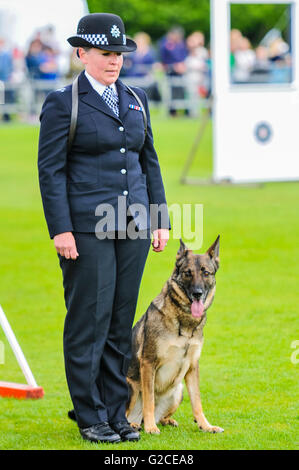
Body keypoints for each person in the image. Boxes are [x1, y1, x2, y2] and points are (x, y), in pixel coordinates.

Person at [38, 13, 170, 445]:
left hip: (131, 226)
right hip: (85, 228)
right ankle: (89, 413)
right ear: (83, 54)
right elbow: (51, 170)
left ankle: (115, 412)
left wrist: (159, 217)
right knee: (87, 323)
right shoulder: (64, 102)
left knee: (119, 323)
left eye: (119, 54)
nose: (114, 61)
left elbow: (147, 160)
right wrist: (61, 229)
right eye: (106, 53)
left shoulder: (136, 97)